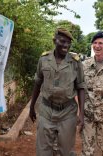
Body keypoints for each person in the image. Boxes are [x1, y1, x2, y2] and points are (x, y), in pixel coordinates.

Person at [29, 27, 87, 156]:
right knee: (43, 151)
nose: (66, 45)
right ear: (54, 40)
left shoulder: (75, 62)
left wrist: (81, 114)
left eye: (68, 42)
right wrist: (32, 107)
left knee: (66, 152)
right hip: (46, 111)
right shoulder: (43, 59)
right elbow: (38, 82)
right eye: (62, 41)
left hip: (68, 112)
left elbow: (81, 87)